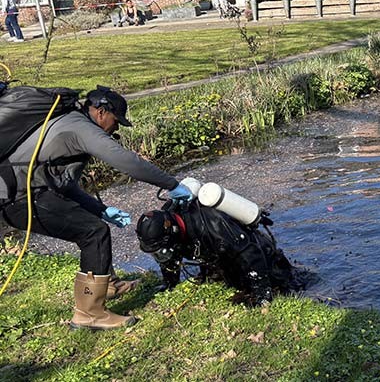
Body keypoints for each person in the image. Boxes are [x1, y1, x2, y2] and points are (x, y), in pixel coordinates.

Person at [0, 86, 194, 330]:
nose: (116, 128)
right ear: (101, 112)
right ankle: (89, 313)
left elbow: (63, 184)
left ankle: (108, 285)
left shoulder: (70, 122)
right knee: (93, 232)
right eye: (116, 121)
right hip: (16, 197)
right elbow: (126, 160)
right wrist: (172, 184)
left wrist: (100, 209)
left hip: (24, 193)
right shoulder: (81, 128)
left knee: (94, 225)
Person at [135, 201, 297, 306]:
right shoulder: (170, 226)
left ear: (174, 232)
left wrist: (262, 292)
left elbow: (251, 253)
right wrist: (169, 284)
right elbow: (168, 255)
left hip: (260, 254)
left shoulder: (215, 225)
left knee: (283, 283)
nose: (160, 255)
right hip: (219, 256)